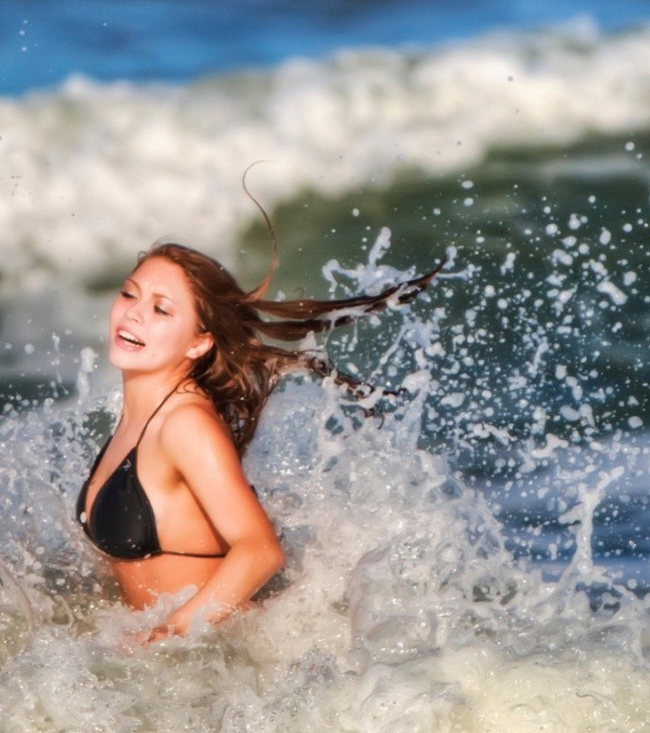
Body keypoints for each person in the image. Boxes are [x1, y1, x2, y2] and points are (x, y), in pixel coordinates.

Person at [78, 238, 439, 643]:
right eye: (129, 294)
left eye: (161, 309)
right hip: (164, 662)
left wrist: (167, 633)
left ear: (200, 342)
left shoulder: (185, 424)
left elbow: (261, 550)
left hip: (212, 660)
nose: (134, 313)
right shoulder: (141, 414)